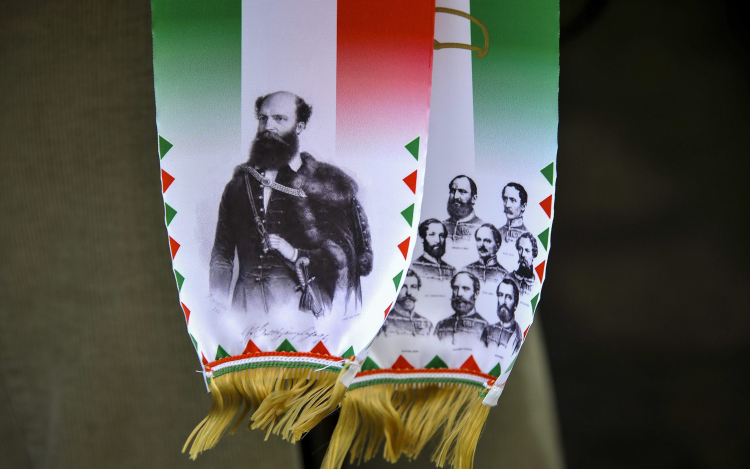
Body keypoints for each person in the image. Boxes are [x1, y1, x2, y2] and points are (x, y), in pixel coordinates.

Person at [209, 91, 372, 316]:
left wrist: (294, 253)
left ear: (299, 126)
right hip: (244, 310)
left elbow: (341, 258)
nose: (268, 126)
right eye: (263, 119)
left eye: (279, 119)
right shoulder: (237, 187)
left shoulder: (324, 185)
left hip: (300, 312)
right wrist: (216, 307)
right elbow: (222, 255)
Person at [435, 272, 488, 342]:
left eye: (465, 288)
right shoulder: (441, 325)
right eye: (455, 288)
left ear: (476, 294)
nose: (459, 294)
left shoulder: (485, 327)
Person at [380, 270, 433, 336]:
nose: (408, 293)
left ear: (418, 289)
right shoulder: (383, 322)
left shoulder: (427, 325)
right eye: (403, 287)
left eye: (413, 287)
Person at [481, 278, 523, 356]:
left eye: (509, 297)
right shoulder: (488, 330)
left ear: (515, 304)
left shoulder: (518, 336)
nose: (503, 302)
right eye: (500, 295)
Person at [443, 175, 485, 249]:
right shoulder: (442, 226)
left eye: (462, 192)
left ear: (473, 199)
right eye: (453, 191)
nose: (455, 196)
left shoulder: (483, 228)